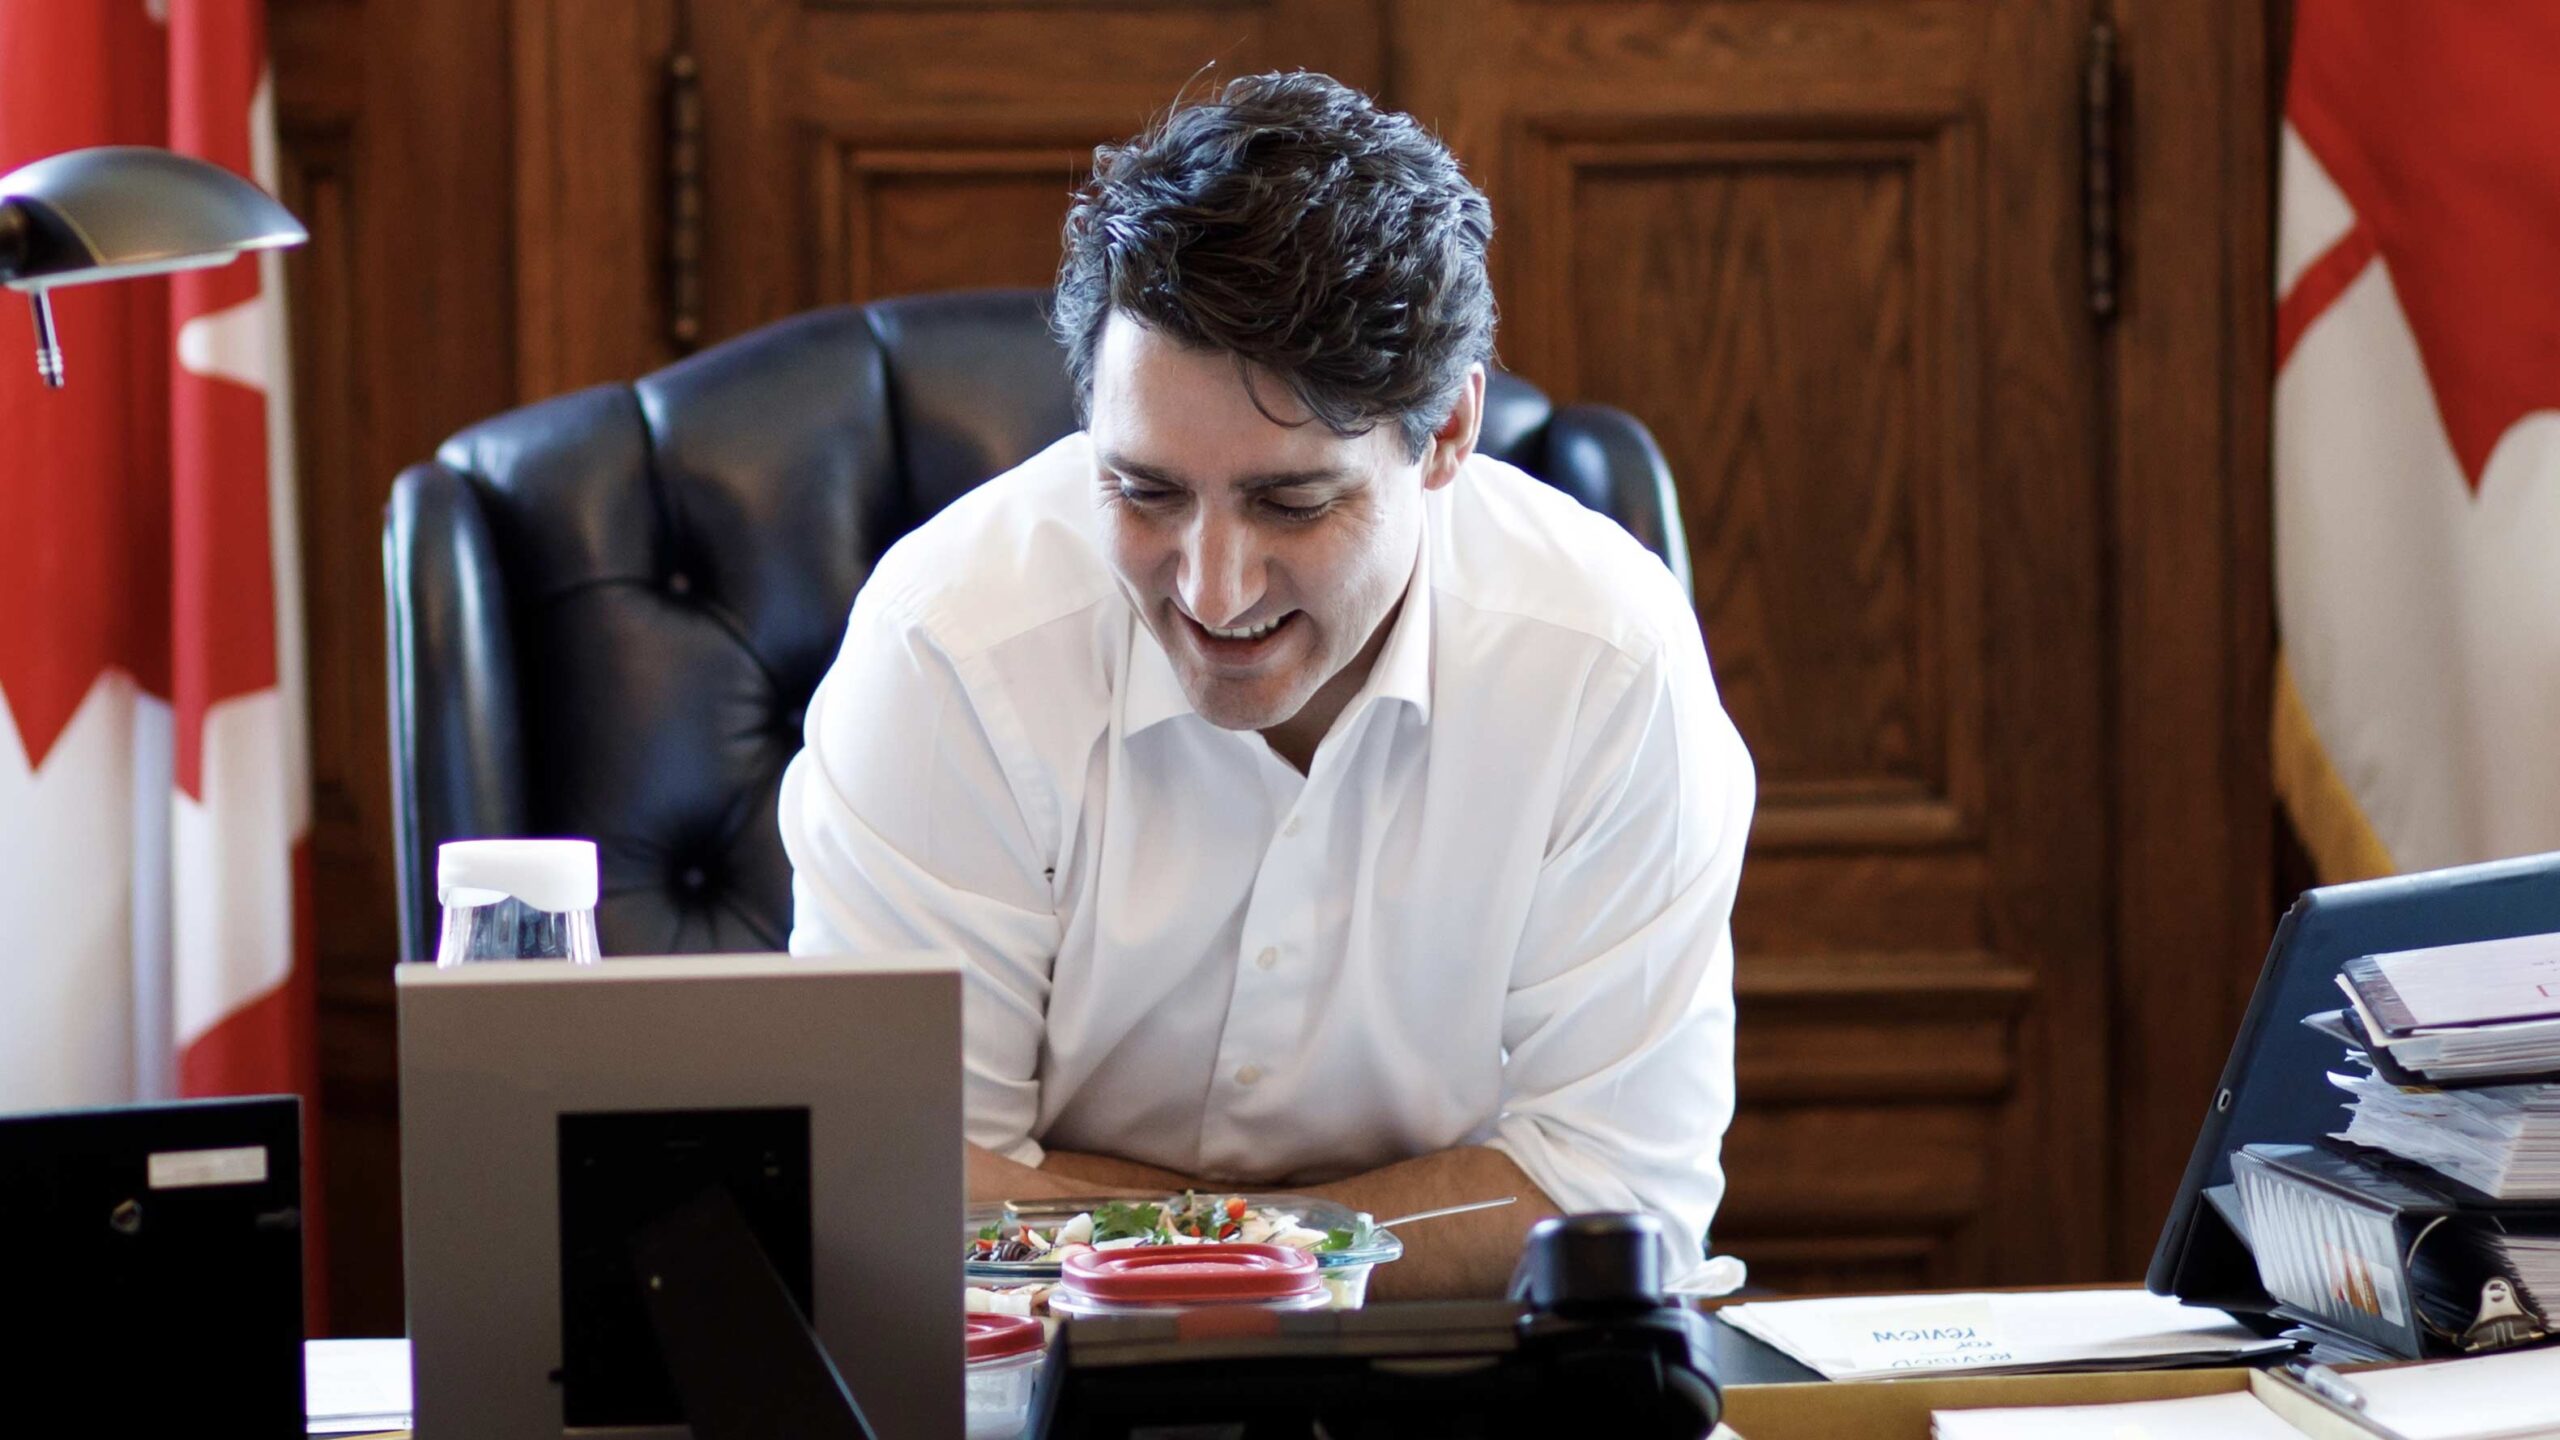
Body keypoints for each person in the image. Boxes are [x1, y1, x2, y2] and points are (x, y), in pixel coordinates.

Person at [779, 71, 1753, 1300]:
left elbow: (1615, 1209)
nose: (1214, 590)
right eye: (1145, 493)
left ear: (1446, 434)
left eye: (1292, 502)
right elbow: (900, 1191)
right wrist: (1386, 1224)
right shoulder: (952, 643)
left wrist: (1119, 1221)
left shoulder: (1606, 661)